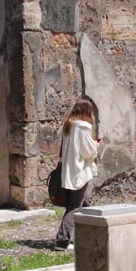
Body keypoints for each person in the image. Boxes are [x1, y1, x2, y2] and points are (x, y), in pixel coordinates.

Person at [54, 95, 102, 250]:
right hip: (79, 172)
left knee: (85, 204)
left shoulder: (69, 126)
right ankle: (62, 240)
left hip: (70, 171)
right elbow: (88, 151)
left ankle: (88, 235)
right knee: (75, 206)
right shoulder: (82, 128)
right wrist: (96, 145)